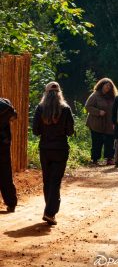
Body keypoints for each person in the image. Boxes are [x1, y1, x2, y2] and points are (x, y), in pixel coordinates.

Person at [32, 82, 74, 225]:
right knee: (55, 181)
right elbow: (70, 131)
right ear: (59, 93)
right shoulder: (66, 109)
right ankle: (50, 213)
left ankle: (49, 211)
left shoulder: (40, 108)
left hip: (45, 149)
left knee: (47, 180)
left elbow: (35, 131)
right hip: (61, 149)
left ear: (45, 93)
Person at [85, 78, 118, 166]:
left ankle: (109, 159)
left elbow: (116, 110)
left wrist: (116, 122)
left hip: (109, 123)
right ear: (101, 85)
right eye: (106, 85)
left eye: (110, 86)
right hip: (96, 123)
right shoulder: (95, 95)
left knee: (110, 141)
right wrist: (98, 112)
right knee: (97, 141)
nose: (108, 87)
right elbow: (88, 106)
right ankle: (95, 160)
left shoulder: (113, 97)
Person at [0, 98, 18, 213]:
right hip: (3, 145)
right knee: (5, 174)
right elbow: (14, 117)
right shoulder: (6, 104)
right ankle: (11, 204)